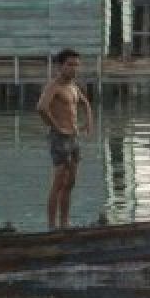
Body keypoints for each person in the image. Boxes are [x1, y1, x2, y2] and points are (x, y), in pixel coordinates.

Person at [37, 49, 93, 230]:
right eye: (70, 64)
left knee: (71, 183)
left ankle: (65, 223)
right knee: (59, 182)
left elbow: (85, 103)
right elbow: (41, 108)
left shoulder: (73, 86)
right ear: (60, 66)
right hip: (60, 138)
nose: (74, 68)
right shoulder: (54, 86)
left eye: (77, 65)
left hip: (74, 137)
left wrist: (88, 123)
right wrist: (55, 127)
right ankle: (52, 226)